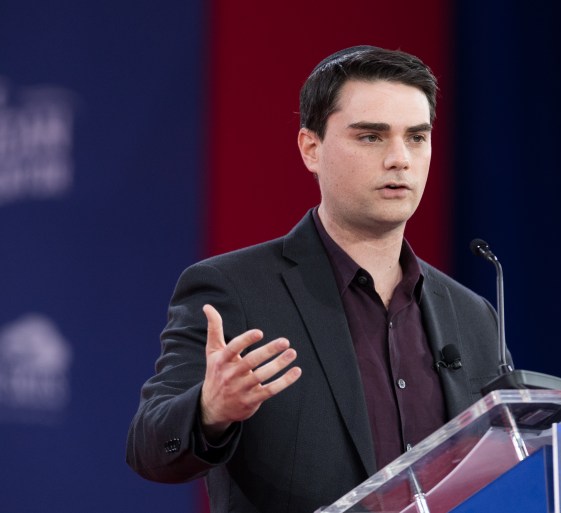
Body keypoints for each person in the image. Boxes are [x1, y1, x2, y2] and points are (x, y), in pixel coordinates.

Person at [126, 45, 501, 513]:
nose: (400, 159)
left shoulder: (473, 315)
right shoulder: (233, 289)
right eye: (371, 137)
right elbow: (149, 448)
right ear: (311, 148)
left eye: (417, 137)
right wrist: (209, 410)